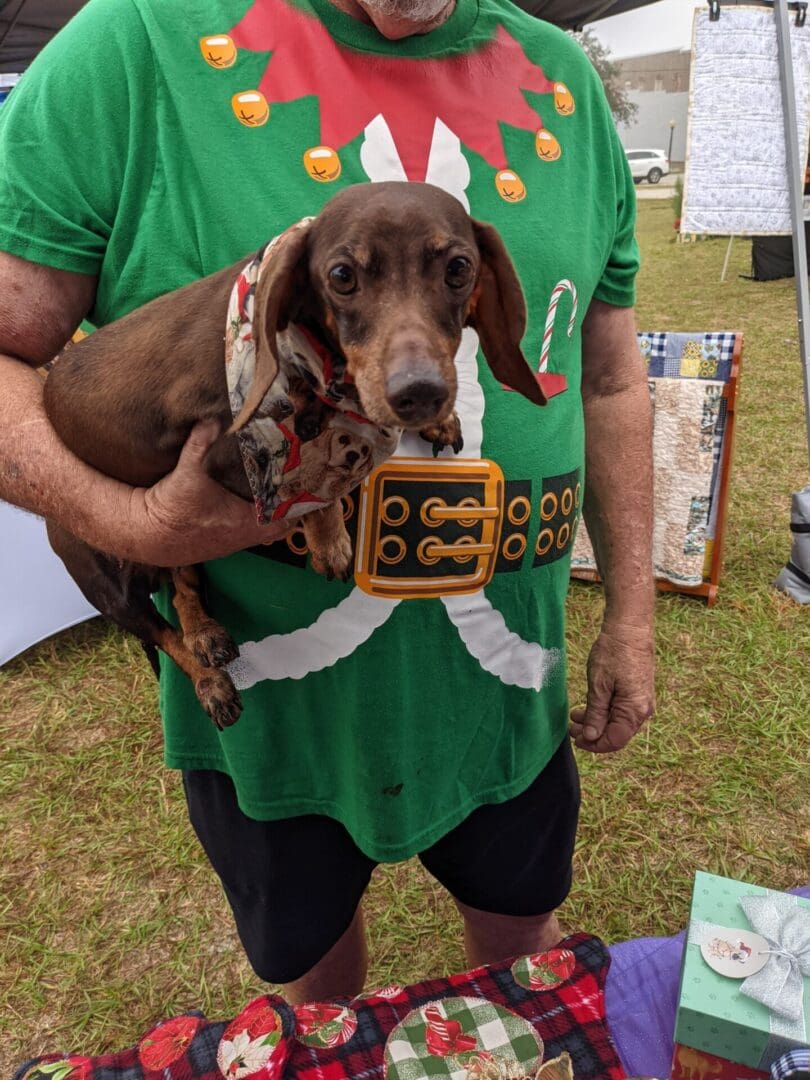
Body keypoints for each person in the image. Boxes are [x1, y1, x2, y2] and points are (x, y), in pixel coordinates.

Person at [0, 0, 655, 1005]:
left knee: (528, 953)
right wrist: (136, 527)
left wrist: (633, 618)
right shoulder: (137, 41)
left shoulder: (564, 75)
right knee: (318, 1000)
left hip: (511, 680)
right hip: (272, 709)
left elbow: (610, 379)